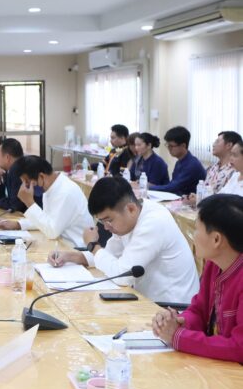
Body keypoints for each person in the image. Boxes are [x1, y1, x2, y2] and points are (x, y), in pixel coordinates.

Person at [48, 177, 199, 304]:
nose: (106, 227)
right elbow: (109, 255)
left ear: (131, 209)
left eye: (109, 220)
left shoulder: (154, 222)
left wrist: (93, 246)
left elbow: (123, 276)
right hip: (150, 303)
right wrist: (70, 257)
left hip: (173, 310)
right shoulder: (129, 219)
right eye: (102, 222)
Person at [152, 194, 243, 363]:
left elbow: (239, 348)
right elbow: (199, 310)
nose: (193, 236)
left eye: (196, 229)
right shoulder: (214, 264)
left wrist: (179, 337)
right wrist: (179, 322)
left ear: (216, 239)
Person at [0, 156, 94, 247]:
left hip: (76, 248)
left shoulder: (65, 192)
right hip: (61, 244)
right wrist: (18, 224)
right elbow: (46, 219)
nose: (26, 186)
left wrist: (29, 203)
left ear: (41, 176)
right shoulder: (50, 187)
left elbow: (52, 231)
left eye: (27, 182)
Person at [0, 139, 42, 213]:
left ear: (7, 157)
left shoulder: (17, 170)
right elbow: (8, 197)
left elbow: (15, 204)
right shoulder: (11, 168)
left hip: (33, 214)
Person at [150, 126, 206, 196]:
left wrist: (149, 187)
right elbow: (172, 184)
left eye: (171, 146)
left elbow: (173, 187)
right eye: (167, 145)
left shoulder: (192, 165)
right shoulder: (180, 162)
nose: (169, 148)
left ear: (183, 146)